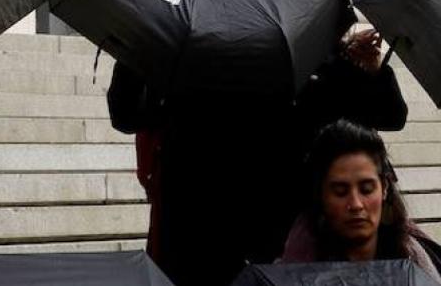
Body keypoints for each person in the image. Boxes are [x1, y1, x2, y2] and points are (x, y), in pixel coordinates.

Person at [108, 26, 408, 286]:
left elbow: (391, 114)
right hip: (198, 236)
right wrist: (138, 43)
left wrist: (371, 69)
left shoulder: (314, 60)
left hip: (283, 246)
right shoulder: (189, 51)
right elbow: (126, 113)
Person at [280, 119, 441, 284]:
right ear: (321, 195)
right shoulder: (299, 263)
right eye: (340, 192)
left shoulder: (414, 262)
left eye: (366, 189)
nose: (356, 204)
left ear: (384, 188)